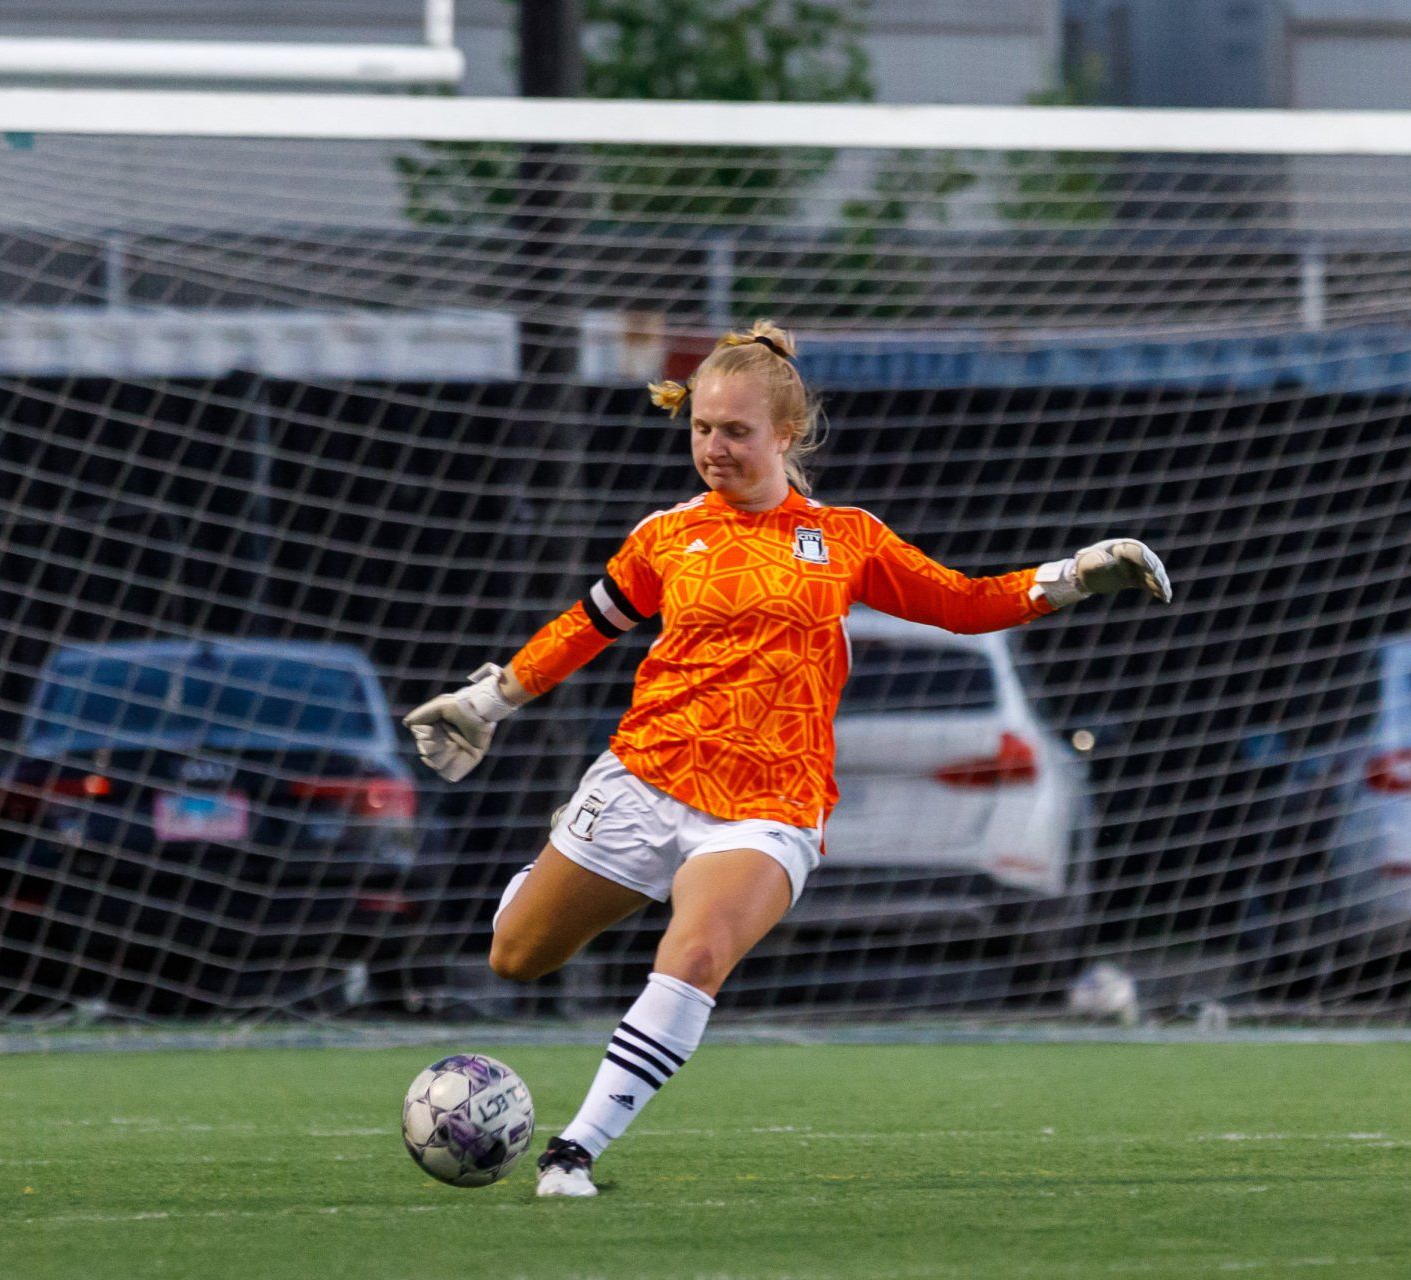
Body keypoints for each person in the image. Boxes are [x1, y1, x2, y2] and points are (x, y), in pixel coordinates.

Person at [403, 320, 1171, 1198]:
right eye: (701, 429)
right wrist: (486, 700)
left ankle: (572, 1152)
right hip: (645, 776)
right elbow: (588, 628)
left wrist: (1073, 575)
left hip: (768, 808)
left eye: (736, 432)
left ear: (786, 435)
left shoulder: (844, 537)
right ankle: (551, 861)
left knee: (693, 957)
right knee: (516, 958)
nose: (714, 448)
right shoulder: (665, 536)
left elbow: (961, 604)